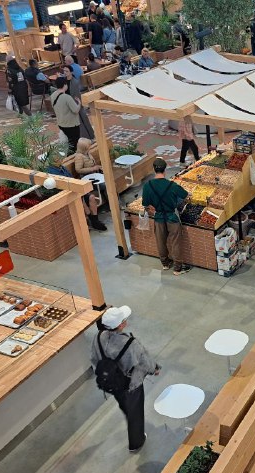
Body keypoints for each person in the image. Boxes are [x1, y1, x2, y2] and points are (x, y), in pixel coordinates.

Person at [90, 306, 159, 452]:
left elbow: (94, 359)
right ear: (121, 325)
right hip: (131, 384)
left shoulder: (98, 337)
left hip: (112, 383)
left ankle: (127, 411)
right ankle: (136, 443)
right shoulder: (130, 343)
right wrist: (155, 369)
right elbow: (144, 361)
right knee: (135, 413)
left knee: (125, 404)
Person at [142, 157, 192, 275]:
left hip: (158, 218)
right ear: (165, 170)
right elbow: (186, 195)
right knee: (175, 242)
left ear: (154, 169)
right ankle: (177, 268)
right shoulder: (172, 185)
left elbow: (145, 204)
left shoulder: (148, 186)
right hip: (172, 217)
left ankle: (165, 263)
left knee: (160, 241)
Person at [51, 76, 81, 154]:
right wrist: (79, 103)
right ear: (65, 85)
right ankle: (70, 159)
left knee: (69, 143)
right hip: (71, 125)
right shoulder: (67, 97)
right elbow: (76, 110)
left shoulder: (53, 95)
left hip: (61, 123)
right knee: (74, 145)